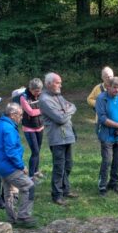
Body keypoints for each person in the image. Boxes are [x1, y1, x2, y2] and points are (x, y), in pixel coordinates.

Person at [0, 103, 36, 228]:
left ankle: (11, 218)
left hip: (1, 165)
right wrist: (21, 166)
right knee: (29, 186)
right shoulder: (8, 128)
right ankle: (24, 215)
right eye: (20, 115)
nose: (21, 117)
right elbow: (11, 151)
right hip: (9, 166)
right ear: (12, 115)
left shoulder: (1, 124)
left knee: (10, 191)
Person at [39, 72, 78, 206]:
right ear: (49, 84)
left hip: (67, 136)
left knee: (68, 165)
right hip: (57, 138)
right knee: (59, 167)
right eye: (57, 82)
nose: (60, 85)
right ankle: (57, 195)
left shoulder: (59, 95)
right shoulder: (44, 100)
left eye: (60, 82)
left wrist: (67, 111)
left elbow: (73, 106)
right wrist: (67, 112)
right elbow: (60, 119)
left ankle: (65, 189)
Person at [95, 77, 118, 195]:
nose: (117, 90)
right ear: (108, 87)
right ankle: (102, 186)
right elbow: (102, 118)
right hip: (107, 136)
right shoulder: (102, 98)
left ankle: (114, 183)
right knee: (107, 161)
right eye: (114, 87)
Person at [18, 78, 45, 180]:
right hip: (29, 128)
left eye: (39, 91)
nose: (38, 93)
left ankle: (36, 172)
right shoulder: (23, 97)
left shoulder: (41, 95)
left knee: (38, 150)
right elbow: (31, 112)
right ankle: (31, 176)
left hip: (40, 127)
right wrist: (43, 109)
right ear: (30, 89)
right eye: (36, 91)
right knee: (35, 152)